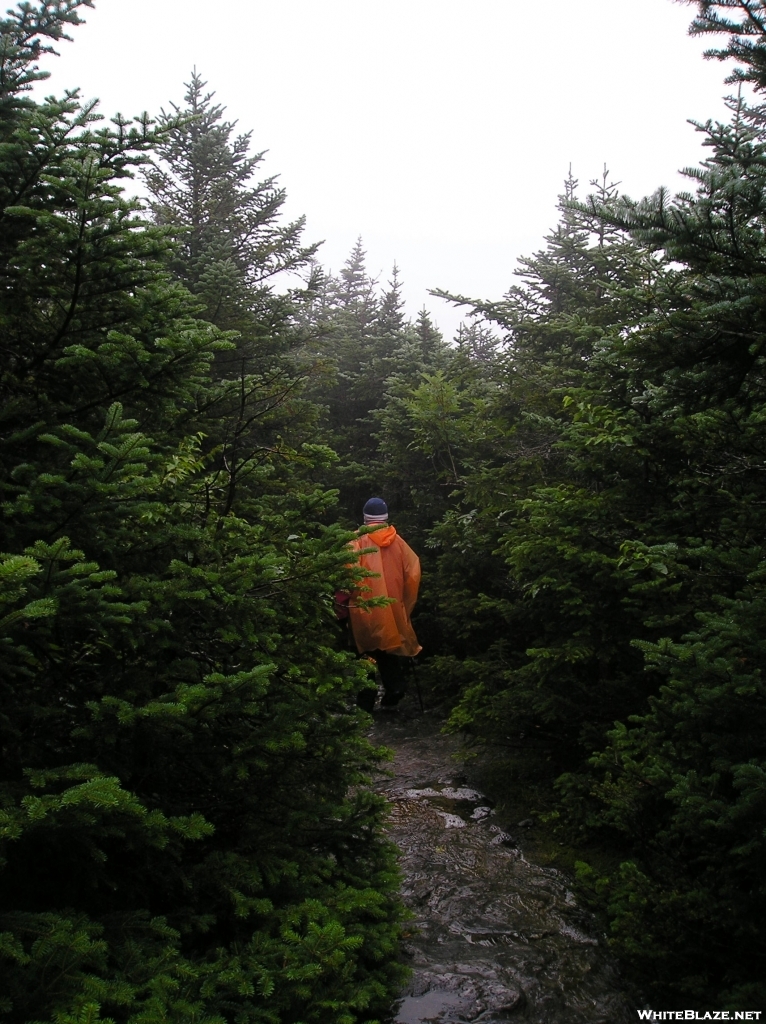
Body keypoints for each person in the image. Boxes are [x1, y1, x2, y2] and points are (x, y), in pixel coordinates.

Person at [347, 497, 421, 710]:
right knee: (388, 649)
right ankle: (395, 689)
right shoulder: (398, 542)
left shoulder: (356, 541)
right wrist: (404, 604)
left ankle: (366, 701)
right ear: (385, 518)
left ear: (365, 518)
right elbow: (413, 574)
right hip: (392, 608)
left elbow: (348, 573)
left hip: (363, 609)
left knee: (366, 653)